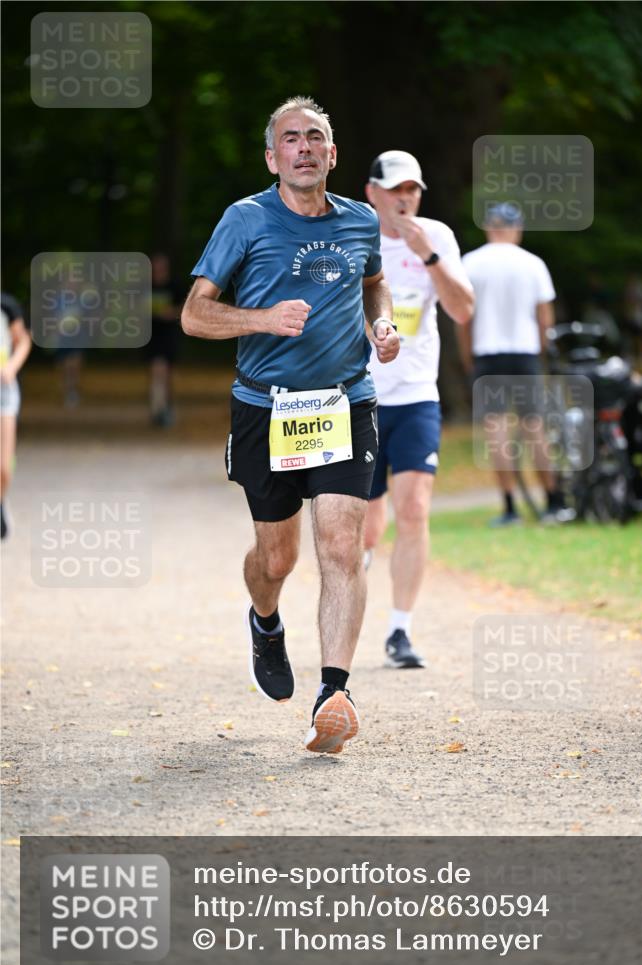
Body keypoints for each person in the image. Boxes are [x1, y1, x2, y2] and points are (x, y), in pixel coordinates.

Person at [181, 96, 399, 754]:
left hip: (343, 403)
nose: (303, 148)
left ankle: (334, 693)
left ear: (331, 155)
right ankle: (265, 621)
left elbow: (373, 283)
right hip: (266, 408)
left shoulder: (361, 221)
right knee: (277, 558)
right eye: (290, 140)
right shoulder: (244, 220)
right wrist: (260, 318)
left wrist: (381, 324)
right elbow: (194, 315)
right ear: (272, 157)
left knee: (341, 546)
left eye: (315, 138)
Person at [363, 151, 474, 668]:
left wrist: (428, 254)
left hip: (414, 396)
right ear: (372, 193)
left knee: (414, 509)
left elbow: (463, 309)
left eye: (413, 190)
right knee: (364, 525)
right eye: (395, 189)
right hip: (357, 396)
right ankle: (347, 603)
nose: (405, 199)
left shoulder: (438, 236)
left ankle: (400, 631)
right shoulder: (353, 235)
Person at [457, 203, 563, 526]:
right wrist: (541, 352)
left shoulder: (470, 262)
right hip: (525, 353)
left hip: (487, 353)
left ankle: (509, 508)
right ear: (516, 229)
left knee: (496, 429)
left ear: (489, 227)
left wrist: (467, 357)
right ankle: (553, 503)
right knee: (535, 427)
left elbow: (463, 318)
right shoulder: (533, 264)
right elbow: (545, 317)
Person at [1, 292, 32, 539]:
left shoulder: (7, 305)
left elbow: (23, 341)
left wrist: (10, 368)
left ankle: (1, 501)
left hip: (4, 392)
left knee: (3, 467)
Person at [146, 252, 183, 427]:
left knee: (166, 374)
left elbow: (185, 308)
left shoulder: (174, 286)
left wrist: (172, 312)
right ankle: (157, 409)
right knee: (157, 371)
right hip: (152, 336)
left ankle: (165, 407)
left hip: (168, 335)